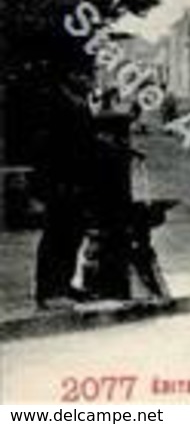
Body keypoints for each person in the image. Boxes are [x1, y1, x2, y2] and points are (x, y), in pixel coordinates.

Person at [33, 75, 97, 309]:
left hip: (71, 180)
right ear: (71, 77)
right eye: (85, 76)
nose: (89, 80)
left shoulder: (72, 100)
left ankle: (63, 284)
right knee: (59, 234)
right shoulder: (62, 102)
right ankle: (50, 291)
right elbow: (51, 144)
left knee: (71, 234)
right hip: (63, 181)